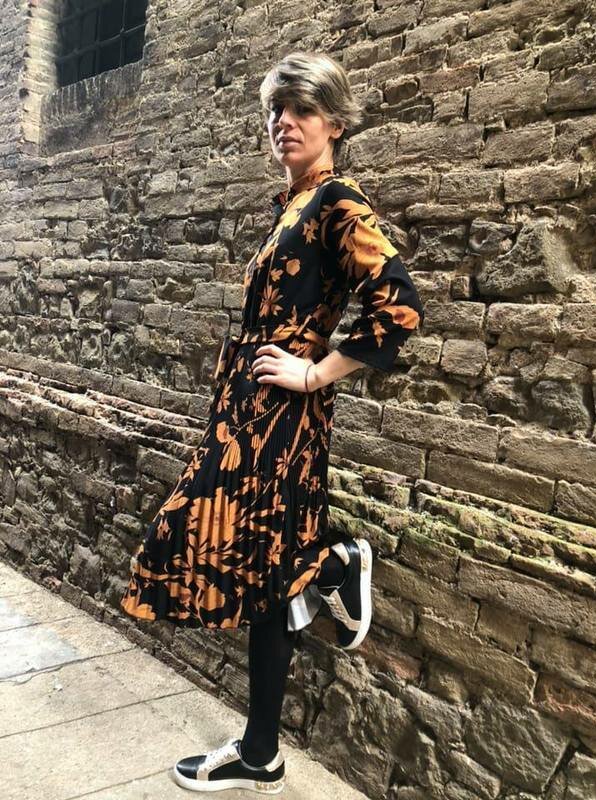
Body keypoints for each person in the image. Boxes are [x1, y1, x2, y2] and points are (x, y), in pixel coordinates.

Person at [119, 50, 424, 794]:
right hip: (249, 411)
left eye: (302, 110)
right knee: (264, 577)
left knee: (212, 540)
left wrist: (314, 372)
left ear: (335, 124)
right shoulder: (294, 204)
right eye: (276, 111)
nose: (284, 123)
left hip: (280, 418)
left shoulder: (337, 202)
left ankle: (335, 565)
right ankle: (262, 751)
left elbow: (400, 306)